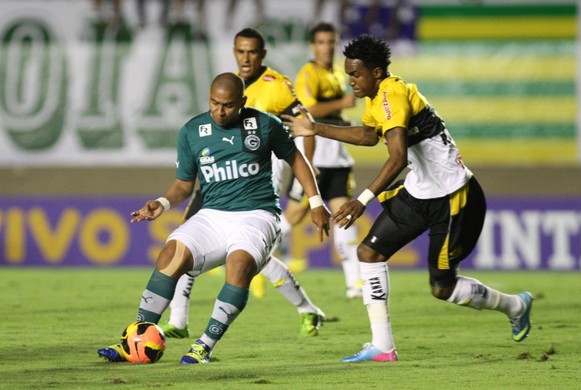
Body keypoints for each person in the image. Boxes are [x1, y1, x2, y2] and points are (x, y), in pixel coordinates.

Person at [282, 34, 534, 363]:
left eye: (356, 74)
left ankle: (515, 305)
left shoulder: (393, 94)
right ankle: (383, 346)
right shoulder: (377, 99)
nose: (350, 81)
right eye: (348, 74)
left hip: (455, 199)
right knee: (368, 253)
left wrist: (362, 200)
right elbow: (367, 135)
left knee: (442, 289)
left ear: (375, 72)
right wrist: (315, 128)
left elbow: (397, 157)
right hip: (420, 193)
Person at [97, 72, 331, 364]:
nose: (220, 111)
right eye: (214, 103)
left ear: (242, 102)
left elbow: (296, 159)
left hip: (257, 214)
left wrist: (316, 202)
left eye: (228, 105)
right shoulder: (192, 131)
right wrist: (162, 202)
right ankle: (134, 340)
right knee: (170, 255)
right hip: (213, 215)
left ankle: (203, 346)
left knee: (240, 264)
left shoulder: (264, 124)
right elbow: (184, 185)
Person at [160, 27, 328, 340]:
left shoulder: (276, 86)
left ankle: (306, 308)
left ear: (262, 54)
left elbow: (303, 127)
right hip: (219, 174)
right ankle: (179, 320)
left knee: (251, 257)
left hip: (257, 178)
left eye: (252, 52)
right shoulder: (228, 85)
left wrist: (310, 167)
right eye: (240, 51)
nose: (246, 57)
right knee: (187, 240)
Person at [283, 22, 362, 298]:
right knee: (293, 215)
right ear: (312, 46)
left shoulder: (338, 74)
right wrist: (341, 104)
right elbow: (309, 111)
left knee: (344, 216)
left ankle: (355, 283)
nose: (327, 47)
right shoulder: (308, 73)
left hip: (338, 155)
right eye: (322, 42)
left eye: (331, 42)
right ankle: (257, 258)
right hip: (312, 153)